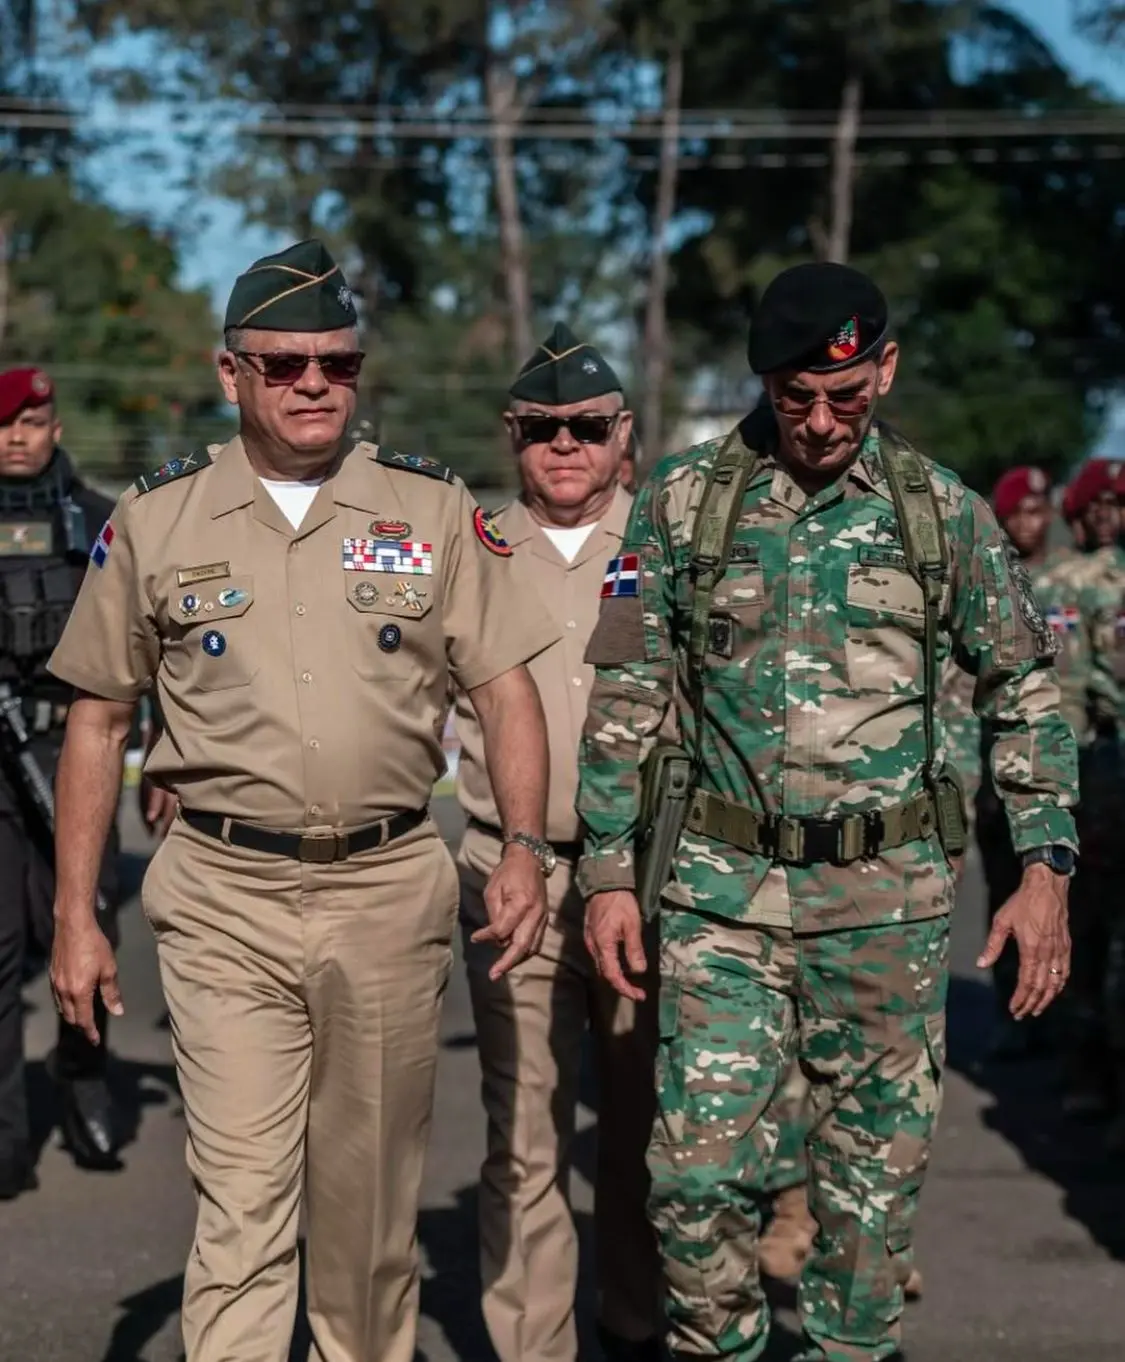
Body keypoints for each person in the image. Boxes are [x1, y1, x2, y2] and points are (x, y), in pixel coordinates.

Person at [45, 239, 558, 1362]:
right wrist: (76, 915)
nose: (315, 383)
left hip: (385, 890)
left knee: (370, 1229)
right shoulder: (155, 522)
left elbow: (504, 688)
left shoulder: (429, 510)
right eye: (284, 364)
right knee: (242, 1210)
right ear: (230, 374)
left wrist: (521, 843)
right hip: (224, 898)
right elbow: (97, 719)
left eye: (337, 361)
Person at [576, 261, 1078, 1362]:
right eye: (793, 396)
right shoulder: (683, 501)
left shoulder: (941, 513)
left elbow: (1026, 690)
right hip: (722, 900)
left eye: (845, 398)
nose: (816, 423)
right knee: (694, 1183)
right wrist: (608, 874)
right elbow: (626, 696)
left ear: (885, 370)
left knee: (868, 1212)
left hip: (889, 911)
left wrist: (1045, 871)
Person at [452, 323, 661, 1362]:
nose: (565, 447)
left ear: (625, 435)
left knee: (647, 1131)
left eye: (587, 427)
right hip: (510, 874)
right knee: (526, 1135)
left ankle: (634, 1323)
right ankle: (535, 1346)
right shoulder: (465, 548)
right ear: (513, 437)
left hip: (652, 885)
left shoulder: (674, 542)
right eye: (543, 430)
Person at [0, 365, 127, 1198]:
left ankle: (82, 1077)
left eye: (33, 422)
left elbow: (144, 644)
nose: (17, 437)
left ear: (54, 427)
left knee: (87, 922)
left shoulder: (99, 518)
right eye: (5, 424)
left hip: (73, 754)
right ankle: (7, 1131)